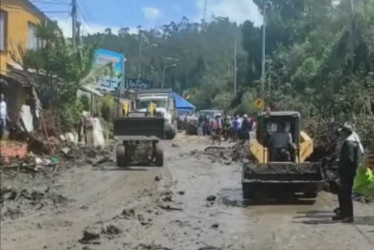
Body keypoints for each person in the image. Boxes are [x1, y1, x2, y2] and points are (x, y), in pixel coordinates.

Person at [333, 123, 364, 223]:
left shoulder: (349, 143)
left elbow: (349, 160)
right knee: (343, 193)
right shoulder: (352, 141)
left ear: (346, 132)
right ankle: (343, 214)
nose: (341, 133)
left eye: (342, 132)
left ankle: (348, 215)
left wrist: (341, 172)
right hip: (348, 172)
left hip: (347, 173)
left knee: (346, 194)